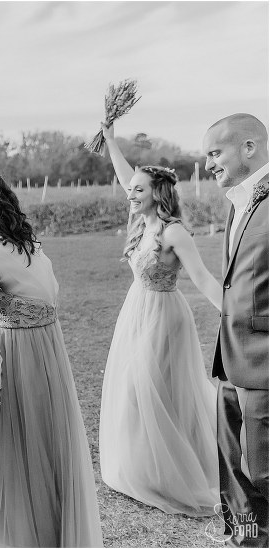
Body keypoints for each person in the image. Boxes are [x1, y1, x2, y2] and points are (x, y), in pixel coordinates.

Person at [0, 173, 103, 547]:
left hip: (16, 355)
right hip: (48, 351)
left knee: (10, 436)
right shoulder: (35, 247)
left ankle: (4, 528)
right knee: (42, 436)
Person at [98, 122, 223, 516]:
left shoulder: (173, 233)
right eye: (131, 188)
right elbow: (124, 176)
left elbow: (202, 277)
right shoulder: (142, 220)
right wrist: (111, 138)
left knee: (152, 391)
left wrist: (232, 313)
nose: (131, 193)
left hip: (164, 317)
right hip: (136, 311)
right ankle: (145, 468)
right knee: (138, 392)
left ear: (158, 194)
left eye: (139, 189)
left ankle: (173, 474)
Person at [203, 113, 268, 546]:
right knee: (231, 463)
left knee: (264, 469)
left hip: (264, 360)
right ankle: (247, 540)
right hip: (230, 357)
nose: (208, 164)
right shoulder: (239, 200)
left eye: (215, 152)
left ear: (248, 147)